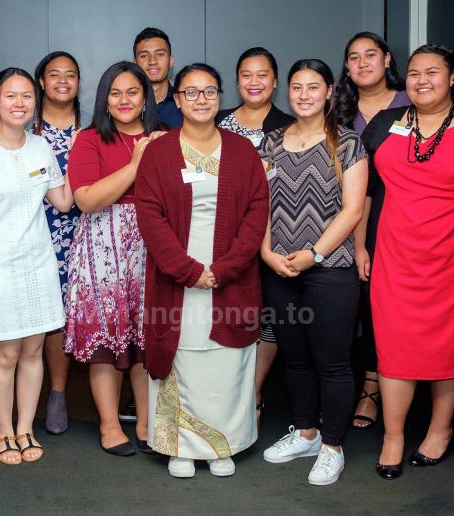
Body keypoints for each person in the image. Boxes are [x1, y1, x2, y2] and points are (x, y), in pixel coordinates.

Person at [136, 63, 268, 478]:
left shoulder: (242, 151)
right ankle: (180, 446)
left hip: (231, 275)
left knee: (226, 364)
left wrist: (225, 268)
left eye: (209, 91)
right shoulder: (158, 152)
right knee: (182, 358)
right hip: (177, 276)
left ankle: (222, 446)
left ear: (219, 97)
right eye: (190, 93)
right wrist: (188, 269)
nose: (200, 100)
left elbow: (256, 212)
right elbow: (149, 214)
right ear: (176, 100)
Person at [359, 45, 454, 480]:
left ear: (452, 77)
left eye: (432, 72)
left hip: (452, 255)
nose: (421, 80)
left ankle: (440, 429)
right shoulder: (385, 123)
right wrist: (359, 246)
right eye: (413, 73)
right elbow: (365, 190)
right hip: (393, 254)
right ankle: (393, 436)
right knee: (393, 346)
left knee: (450, 344)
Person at [259, 59, 368, 486]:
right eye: (297, 87)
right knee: (295, 357)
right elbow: (259, 204)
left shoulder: (348, 143)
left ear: (328, 93)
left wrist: (314, 255)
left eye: (313, 87)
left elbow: (353, 209)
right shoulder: (270, 142)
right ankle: (305, 432)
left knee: (333, 362)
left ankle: (333, 445)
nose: (303, 94)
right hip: (278, 267)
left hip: (329, 269)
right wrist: (266, 252)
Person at [0, 67, 74, 465]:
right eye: (10, 96)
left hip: (39, 265)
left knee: (33, 353)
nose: (19, 103)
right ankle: (4, 432)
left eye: (26, 96)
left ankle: (26, 428)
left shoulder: (41, 148)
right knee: (4, 356)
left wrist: (87, 159)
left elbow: (62, 201)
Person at [64, 61, 164, 456]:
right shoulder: (89, 140)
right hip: (101, 250)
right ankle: (109, 425)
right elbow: (86, 200)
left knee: (145, 340)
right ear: (105, 100)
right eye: (115, 92)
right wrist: (136, 166)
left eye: (132, 92)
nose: (124, 100)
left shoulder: (166, 138)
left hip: (151, 247)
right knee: (105, 339)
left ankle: (145, 421)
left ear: (145, 99)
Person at [215, 48, 293, 427]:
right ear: (237, 81)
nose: (254, 82)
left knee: (268, 313)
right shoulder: (216, 121)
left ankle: (253, 391)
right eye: (246, 75)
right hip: (218, 232)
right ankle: (225, 388)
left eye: (263, 75)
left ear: (275, 81)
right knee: (228, 309)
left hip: (272, 230)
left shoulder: (291, 125)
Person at [335, 31, 409, 432]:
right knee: (355, 305)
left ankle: (374, 386)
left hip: (394, 216)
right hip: (343, 218)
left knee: (387, 306)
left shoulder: (411, 104)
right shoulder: (338, 110)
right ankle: (359, 383)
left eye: (370, 55)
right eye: (353, 57)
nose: (362, 63)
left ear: (387, 59)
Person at [33, 51, 84, 435]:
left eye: (70, 75)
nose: (62, 81)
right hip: (34, 232)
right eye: (54, 74)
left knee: (64, 319)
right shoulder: (25, 126)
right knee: (34, 315)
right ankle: (18, 397)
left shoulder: (93, 128)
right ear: (41, 82)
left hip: (84, 233)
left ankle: (58, 393)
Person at [134, 27, 183, 128]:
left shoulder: (185, 102)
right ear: (135, 63)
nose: (152, 61)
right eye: (144, 56)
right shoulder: (127, 106)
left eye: (160, 54)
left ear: (171, 61)